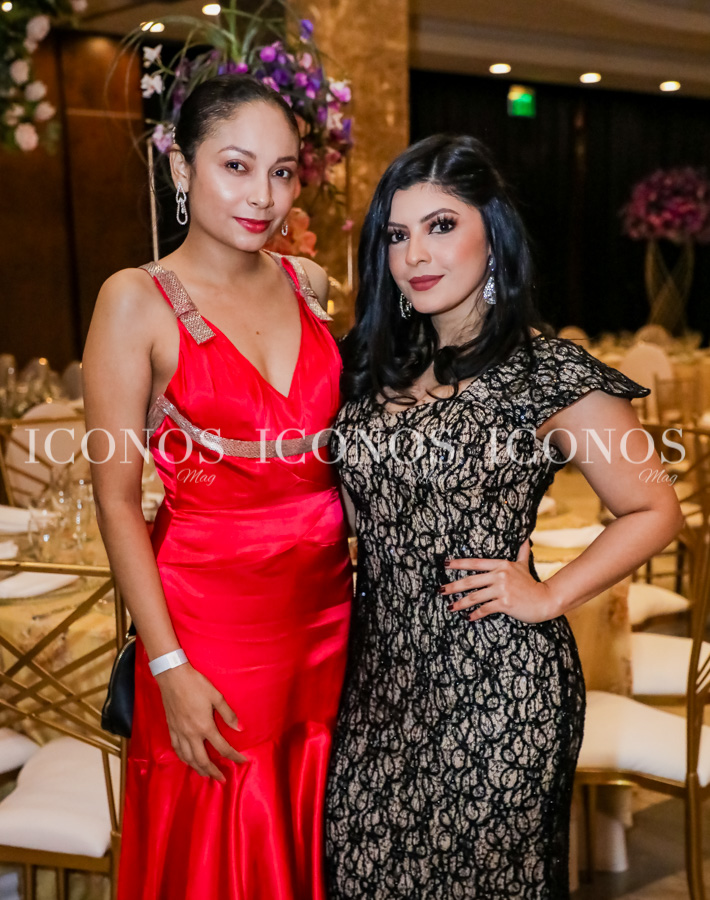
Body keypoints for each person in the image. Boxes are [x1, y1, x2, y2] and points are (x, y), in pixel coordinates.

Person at [324, 134, 683, 898]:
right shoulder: (370, 365)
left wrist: (550, 596)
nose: (416, 253)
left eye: (441, 225)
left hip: (499, 687)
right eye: (397, 233)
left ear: (493, 232)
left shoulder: (545, 373)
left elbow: (655, 507)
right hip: (377, 681)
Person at [82, 75, 352, 900]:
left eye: (282, 172)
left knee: (314, 825)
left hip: (328, 618)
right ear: (181, 167)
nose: (262, 195)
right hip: (208, 628)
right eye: (236, 166)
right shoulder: (134, 301)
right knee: (219, 839)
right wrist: (168, 666)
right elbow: (116, 499)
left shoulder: (309, 285)